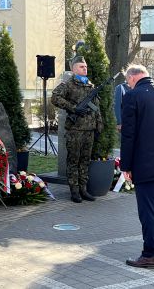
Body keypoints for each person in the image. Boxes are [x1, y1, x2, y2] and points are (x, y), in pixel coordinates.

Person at [121, 64, 154, 268]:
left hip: (145, 164)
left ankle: (150, 254)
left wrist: (126, 165)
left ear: (132, 78)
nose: (128, 85)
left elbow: (128, 134)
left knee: (148, 211)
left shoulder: (133, 96)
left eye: (128, 82)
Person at [51, 56, 102, 203]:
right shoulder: (69, 84)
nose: (84, 68)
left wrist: (99, 124)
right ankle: (74, 191)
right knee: (74, 160)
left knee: (85, 160)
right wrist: (72, 108)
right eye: (81, 66)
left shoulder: (90, 86)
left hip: (89, 129)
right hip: (75, 130)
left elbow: (96, 108)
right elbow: (55, 97)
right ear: (74, 69)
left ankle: (83, 190)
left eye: (85, 66)